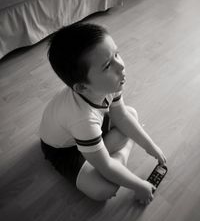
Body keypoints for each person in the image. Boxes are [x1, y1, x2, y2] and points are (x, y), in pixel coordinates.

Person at [40, 22, 166, 204]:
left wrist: (150, 146)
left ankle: (99, 157)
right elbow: (106, 166)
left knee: (130, 114)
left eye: (116, 54)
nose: (121, 66)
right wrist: (140, 185)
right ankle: (111, 157)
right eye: (107, 66)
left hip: (86, 134)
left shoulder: (109, 84)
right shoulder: (82, 119)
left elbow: (121, 116)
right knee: (105, 190)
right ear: (82, 86)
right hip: (64, 150)